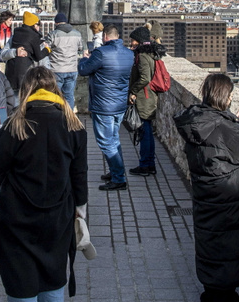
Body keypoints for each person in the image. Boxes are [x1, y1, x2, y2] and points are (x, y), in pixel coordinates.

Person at [0, 66, 88, 302]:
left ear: (26, 90)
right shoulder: (74, 126)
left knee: (21, 285)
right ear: (55, 89)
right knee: (54, 279)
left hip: (17, 218)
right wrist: (80, 212)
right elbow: (79, 176)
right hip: (58, 217)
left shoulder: (15, 125)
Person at [173, 73, 239, 302]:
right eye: (231, 95)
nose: (233, 99)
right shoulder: (221, 125)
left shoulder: (198, 120)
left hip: (206, 194)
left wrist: (234, 122)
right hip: (228, 196)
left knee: (211, 242)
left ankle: (211, 295)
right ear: (224, 96)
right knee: (228, 245)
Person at [77, 24, 134, 191]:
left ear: (106, 37)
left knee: (106, 141)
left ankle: (118, 177)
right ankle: (115, 171)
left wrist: (85, 58)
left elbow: (83, 71)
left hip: (103, 105)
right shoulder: (129, 54)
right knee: (114, 139)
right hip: (119, 104)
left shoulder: (101, 53)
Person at [127, 26, 166, 176]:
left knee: (144, 132)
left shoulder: (142, 56)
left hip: (145, 97)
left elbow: (145, 78)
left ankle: (145, 165)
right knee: (147, 131)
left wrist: (133, 91)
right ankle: (150, 164)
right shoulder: (152, 53)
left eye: (133, 39)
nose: (131, 42)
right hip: (150, 96)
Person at [42, 12, 86, 110]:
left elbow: (45, 48)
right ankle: (69, 117)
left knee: (55, 95)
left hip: (57, 69)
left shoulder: (52, 34)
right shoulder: (77, 34)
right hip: (72, 69)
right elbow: (80, 48)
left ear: (56, 23)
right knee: (69, 95)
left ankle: (56, 115)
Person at [5, 11, 47, 92]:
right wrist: (47, 50)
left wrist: (14, 52)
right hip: (26, 73)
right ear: (33, 25)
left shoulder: (16, 35)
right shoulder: (34, 36)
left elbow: (3, 54)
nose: (39, 27)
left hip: (11, 73)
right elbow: (38, 57)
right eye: (38, 24)